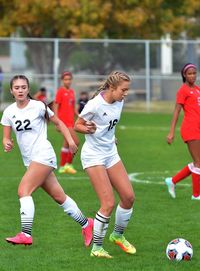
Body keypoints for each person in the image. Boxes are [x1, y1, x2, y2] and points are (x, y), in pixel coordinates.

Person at [1, 75, 93, 246]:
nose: (20, 90)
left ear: (28, 89)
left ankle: (26, 234)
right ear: (11, 91)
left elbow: (59, 123)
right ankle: (87, 224)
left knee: (23, 190)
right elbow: (6, 137)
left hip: (43, 154)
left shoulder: (38, 106)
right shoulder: (8, 112)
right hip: (31, 160)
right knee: (59, 197)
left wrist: (71, 141)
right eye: (16, 88)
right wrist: (7, 143)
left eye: (23, 87)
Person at [75, 71, 136, 258]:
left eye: (127, 90)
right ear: (112, 88)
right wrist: (87, 128)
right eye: (123, 90)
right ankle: (97, 249)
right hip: (93, 156)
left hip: (111, 153)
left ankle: (117, 236)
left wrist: (112, 136)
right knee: (108, 202)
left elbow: (109, 124)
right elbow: (77, 125)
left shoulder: (119, 101)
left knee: (128, 197)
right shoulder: (94, 105)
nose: (125, 94)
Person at [165, 63, 200, 200]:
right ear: (184, 75)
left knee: (198, 162)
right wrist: (171, 132)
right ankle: (196, 195)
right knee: (198, 162)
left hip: (198, 128)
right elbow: (176, 111)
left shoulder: (197, 89)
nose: (192, 75)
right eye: (189, 73)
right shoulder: (183, 90)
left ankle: (172, 181)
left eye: (194, 73)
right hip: (190, 129)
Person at [54, 71, 79, 174]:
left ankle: (62, 167)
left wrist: (80, 116)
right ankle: (68, 164)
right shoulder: (60, 91)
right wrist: (56, 121)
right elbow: (55, 105)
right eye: (65, 79)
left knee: (66, 144)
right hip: (64, 123)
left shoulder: (72, 92)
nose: (67, 81)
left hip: (70, 122)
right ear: (62, 80)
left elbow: (73, 107)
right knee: (75, 142)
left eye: (69, 79)